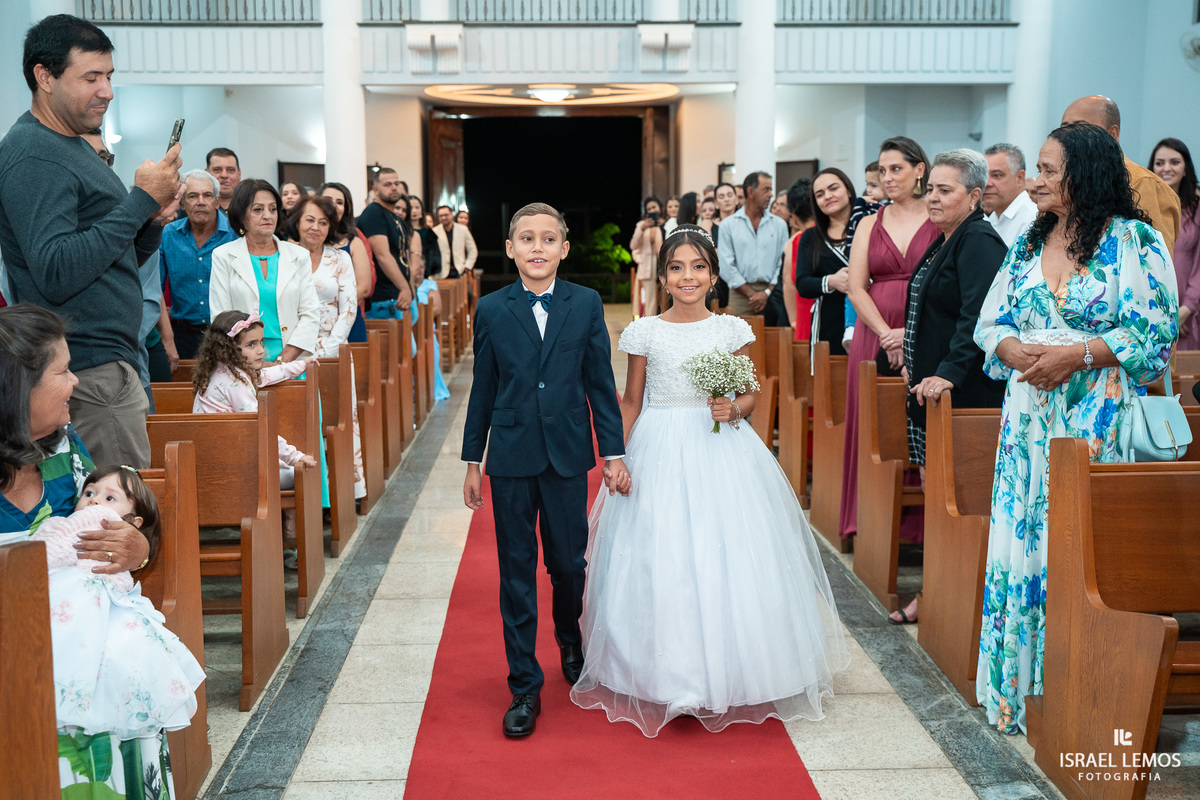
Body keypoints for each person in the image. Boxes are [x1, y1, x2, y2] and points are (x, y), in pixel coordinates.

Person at [569, 225, 848, 737]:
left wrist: (732, 407)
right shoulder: (644, 331)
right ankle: (671, 677)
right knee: (665, 556)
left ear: (714, 275)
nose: (688, 276)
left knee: (725, 554)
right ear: (664, 277)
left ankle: (734, 669)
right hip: (658, 445)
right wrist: (615, 456)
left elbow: (750, 396)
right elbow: (631, 401)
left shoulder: (730, 330)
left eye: (698, 266)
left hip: (720, 449)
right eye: (677, 268)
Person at [974, 122, 1177, 735]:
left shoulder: (1133, 241)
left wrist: (1080, 355)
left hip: (1097, 414)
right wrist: (1010, 351)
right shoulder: (1031, 242)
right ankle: (1018, 686)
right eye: (1035, 169)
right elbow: (991, 322)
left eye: (1048, 171)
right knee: (1026, 541)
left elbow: (1156, 331)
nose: (1035, 182)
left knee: (1077, 544)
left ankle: (1078, 686)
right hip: (1028, 418)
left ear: (1083, 175)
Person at [461, 203, 629, 738]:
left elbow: (601, 383)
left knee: (568, 564)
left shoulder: (585, 304)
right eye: (527, 239)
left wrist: (613, 452)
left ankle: (569, 638)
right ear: (510, 249)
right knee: (516, 571)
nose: (538, 247)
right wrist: (473, 458)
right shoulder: (491, 308)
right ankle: (524, 687)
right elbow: (482, 388)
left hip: (566, 453)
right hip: (510, 456)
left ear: (564, 248)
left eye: (548, 239)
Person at [0, 303, 180, 799]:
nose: (76, 382)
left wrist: (138, 548)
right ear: (18, 388)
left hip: (86, 653)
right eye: (62, 371)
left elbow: (119, 522)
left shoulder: (64, 450)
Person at [0, 14, 182, 469]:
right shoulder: (36, 155)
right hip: (87, 371)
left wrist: (151, 219)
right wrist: (139, 199)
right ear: (45, 77)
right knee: (122, 521)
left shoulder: (74, 147)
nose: (107, 90)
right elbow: (57, 271)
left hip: (106, 361)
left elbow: (115, 256)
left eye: (109, 76)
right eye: (91, 77)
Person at [891, 149, 1007, 626]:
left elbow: (978, 318)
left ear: (974, 195)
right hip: (930, 393)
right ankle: (938, 595)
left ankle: (950, 601)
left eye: (945, 190)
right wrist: (915, 364)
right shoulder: (947, 238)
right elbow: (928, 310)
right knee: (937, 498)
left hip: (961, 398)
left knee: (954, 503)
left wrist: (949, 373)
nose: (932, 197)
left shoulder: (978, 240)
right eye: (931, 188)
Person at [33, 465, 206, 739]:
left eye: (109, 498)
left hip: (95, 605)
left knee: (116, 654)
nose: (95, 500)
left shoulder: (88, 524)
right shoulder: (65, 526)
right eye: (89, 492)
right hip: (62, 599)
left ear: (133, 524)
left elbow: (46, 556)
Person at [839, 137, 940, 541]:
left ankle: (921, 532)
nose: (887, 177)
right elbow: (856, 286)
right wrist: (886, 334)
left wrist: (909, 335)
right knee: (874, 426)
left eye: (895, 168)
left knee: (919, 425)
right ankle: (870, 522)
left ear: (920, 169)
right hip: (874, 331)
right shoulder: (869, 222)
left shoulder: (938, 216)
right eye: (882, 171)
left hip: (925, 327)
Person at [209, 179, 321, 363]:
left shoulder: (299, 255)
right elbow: (221, 318)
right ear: (241, 215)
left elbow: (310, 313)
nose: (267, 216)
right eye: (258, 209)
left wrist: (281, 363)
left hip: (293, 357)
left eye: (273, 209)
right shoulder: (224, 256)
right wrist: (251, 362)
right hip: (242, 360)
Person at [1061, 95, 1181, 255]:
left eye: (1081, 127)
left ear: (1112, 133)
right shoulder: (1064, 178)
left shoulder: (1142, 183)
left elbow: (1152, 262)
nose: (1069, 136)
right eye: (1064, 128)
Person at [159, 169, 238, 360]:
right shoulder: (168, 235)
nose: (200, 202)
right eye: (193, 196)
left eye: (207, 195)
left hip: (229, 335)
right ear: (183, 203)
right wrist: (167, 339)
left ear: (218, 202)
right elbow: (155, 289)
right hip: (182, 335)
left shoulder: (235, 235)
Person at [795, 168, 866, 356]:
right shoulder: (811, 237)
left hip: (868, 319)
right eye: (820, 194)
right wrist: (832, 281)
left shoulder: (869, 226)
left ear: (849, 190)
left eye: (833, 188)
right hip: (827, 324)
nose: (827, 196)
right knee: (829, 381)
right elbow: (802, 284)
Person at [717, 171, 789, 319]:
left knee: (775, 340)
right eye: (766, 189)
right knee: (738, 340)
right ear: (751, 191)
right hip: (739, 294)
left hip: (773, 292)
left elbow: (782, 264)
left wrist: (766, 292)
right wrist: (752, 294)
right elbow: (726, 265)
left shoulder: (779, 225)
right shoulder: (728, 225)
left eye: (771, 190)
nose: (770, 195)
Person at [1150, 138, 1200, 348]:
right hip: (1150, 310)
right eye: (1159, 163)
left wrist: (1185, 310)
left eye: (1174, 162)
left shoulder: (1197, 208)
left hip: (1188, 314)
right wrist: (1161, 315)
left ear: (1186, 167)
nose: (1166, 168)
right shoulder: (1144, 208)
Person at [319, 181, 374, 343]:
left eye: (340, 202)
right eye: (328, 200)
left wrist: (334, 313)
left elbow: (364, 288)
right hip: (313, 322)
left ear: (346, 209)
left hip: (349, 321)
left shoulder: (354, 242)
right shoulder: (304, 242)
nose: (334, 206)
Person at [358, 168, 415, 318]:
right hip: (384, 299)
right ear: (375, 190)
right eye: (387, 184)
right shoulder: (374, 213)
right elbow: (382, 255)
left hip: (398, 295)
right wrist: (404, 288)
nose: (394, 187)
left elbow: (403, 258)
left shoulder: (396, 218)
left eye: (396, 183)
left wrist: (410, 290)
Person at [982, 143, 1039, 248]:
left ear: (1019, 178)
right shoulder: (992, 219)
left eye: (997, 175)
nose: (987, 183)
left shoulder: (1032, 221)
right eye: (985, 176)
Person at [782, 178, 816, 340]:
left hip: (803, 312)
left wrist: (793, 320)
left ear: (793, 213)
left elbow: (788, 282)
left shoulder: (797, 240)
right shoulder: (833, 236)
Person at [630, 196, 665, 317]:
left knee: (663, 298)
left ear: (660, 208)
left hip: (662, 264)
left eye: (654, 207)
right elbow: (633, 245)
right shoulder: (641, 225)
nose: (651, 211)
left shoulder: (665, 224)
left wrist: (662, 227)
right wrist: (641, 228)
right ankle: (647, 322)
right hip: (647, 266)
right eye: (648, 209)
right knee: (648, 299)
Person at [433, 203, 478, 279]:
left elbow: (473, 250)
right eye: (441, 216)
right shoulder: (434, 231)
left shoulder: (463, 229)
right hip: (441, 273)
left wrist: (467, 266)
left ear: (452, 215)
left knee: (467, 291)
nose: (443, 218)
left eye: (446, 215)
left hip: (460, 271)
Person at [206, 147, 242, 212]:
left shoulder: (249, 208)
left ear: (239, 174)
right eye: (217, 170)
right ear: (206, 173)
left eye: (230, 170)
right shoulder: (194, 208)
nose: (224, 175)